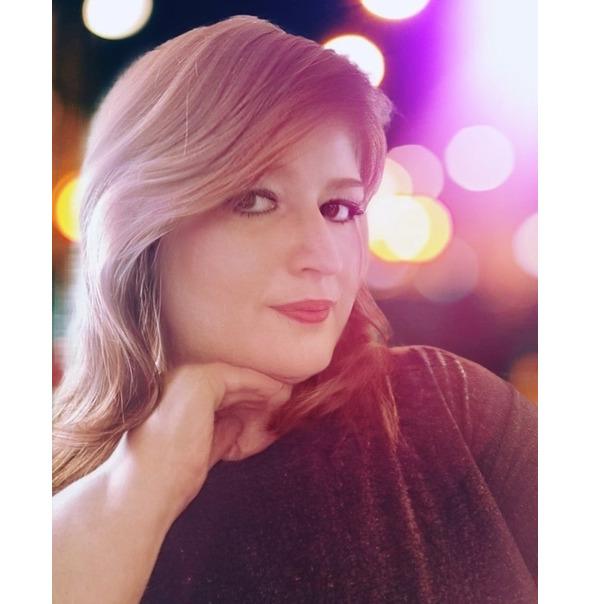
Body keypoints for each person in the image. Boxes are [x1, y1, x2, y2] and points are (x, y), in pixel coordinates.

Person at [52, 15, 537, 604]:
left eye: (339, 208)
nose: (323, 257)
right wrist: (137, 487)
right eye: (256, 201)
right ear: (138, 228)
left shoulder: (450, 410)